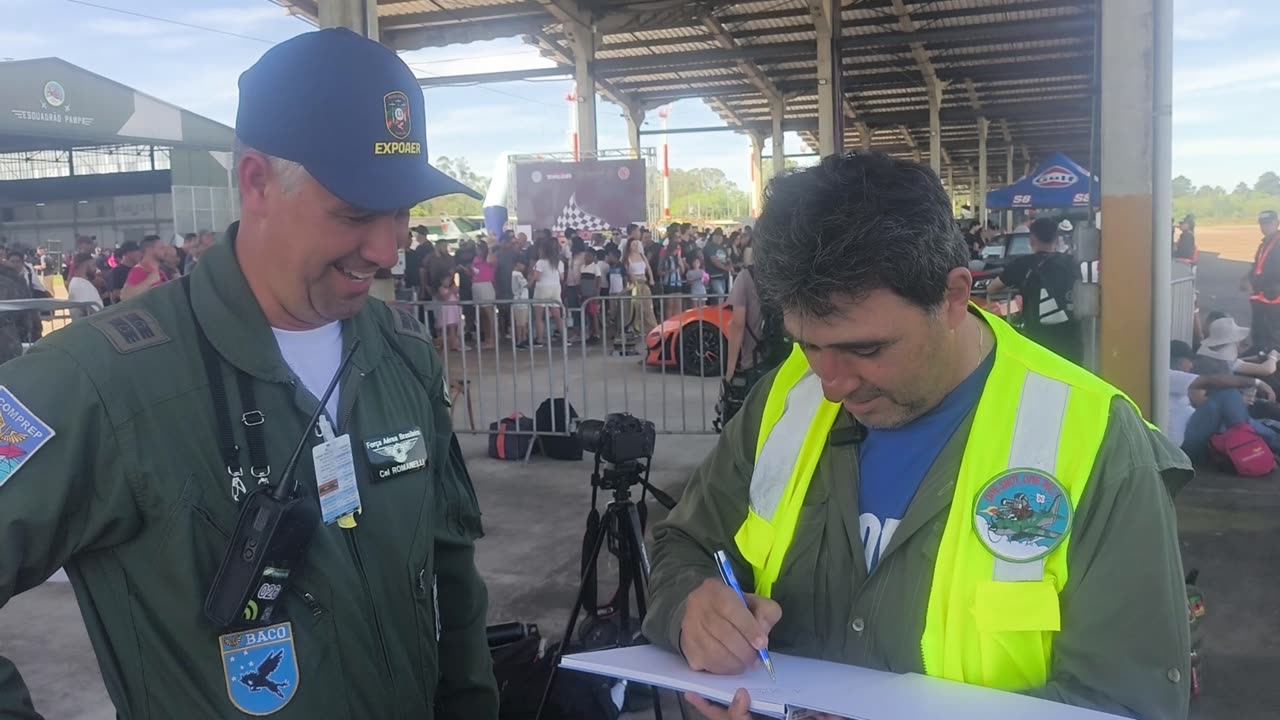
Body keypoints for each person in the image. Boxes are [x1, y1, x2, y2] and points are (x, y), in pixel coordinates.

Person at [0, 28, 498, 718]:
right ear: (257, 182)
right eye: (355, 212)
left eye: (402, 211)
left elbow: (451, 585)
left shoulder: (401, 355)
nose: (387, 248)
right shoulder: (102, 384)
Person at [643, 151, 1192, 720]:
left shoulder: (1099, 443)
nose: (831, 387)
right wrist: (691, 608)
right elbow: (683, 545)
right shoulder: (784, 401)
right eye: (807, 344)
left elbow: (1129, 702)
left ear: (954, 297)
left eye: (867, 349)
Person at [985, 217, 1082, 364]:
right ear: (1057, 239)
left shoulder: (1023, 264)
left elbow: (992, 289)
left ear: (1031, 240)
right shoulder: (1072, 262)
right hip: (1071, 341)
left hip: (1038, 342)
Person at [1169, 340, 1277, 463]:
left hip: (1191, 430)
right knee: (1227, 394)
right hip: (1186, 443)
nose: (1191, 366)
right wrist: (1256, 382)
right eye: (1189, 361)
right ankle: (1251, 446)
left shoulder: (1171, 377)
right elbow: (1210, 382)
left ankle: (1256, 444)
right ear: (1179, 361)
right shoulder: (1168, 375)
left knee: (1243, 417)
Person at [1243, 209, 1280, 351]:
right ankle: (1258, 350)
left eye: (1268, 223)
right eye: (1262, 224)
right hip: (1260, 294)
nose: (1264, 227)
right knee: (1259, 327)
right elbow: (1257, 266)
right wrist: (1248, 278)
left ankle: (1272, 360)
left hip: (1274, 295)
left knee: (1273, 330)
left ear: (1276, 223)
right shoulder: (1264, 244)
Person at [530, 234, 566, 347]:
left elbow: (537, 277)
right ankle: (565, 337)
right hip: (555, 288)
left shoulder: (540, 262)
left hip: (542, 288)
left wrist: (531, 279)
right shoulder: (559, 262)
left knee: (539, 315)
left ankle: (540, 339)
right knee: (557, 315)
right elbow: (562, 278)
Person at [120, 234, 171, 302]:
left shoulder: (160, 271)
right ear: (149, 250)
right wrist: (149, 281)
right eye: (161, 248)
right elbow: (125, 297)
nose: (165, 251)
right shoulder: (139, 270)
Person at [65, 251, 103, 319]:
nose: (96, 269)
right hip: (94, 324)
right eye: (93, 265)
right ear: (86, 264)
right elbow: (88, 309)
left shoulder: (80, 282)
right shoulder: (80, 285)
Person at [105, 240, 141, 305]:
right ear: (128, 253)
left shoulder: (138, 270)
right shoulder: (116, 272)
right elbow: (115, 293)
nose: (140, 255)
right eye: (138, 252)